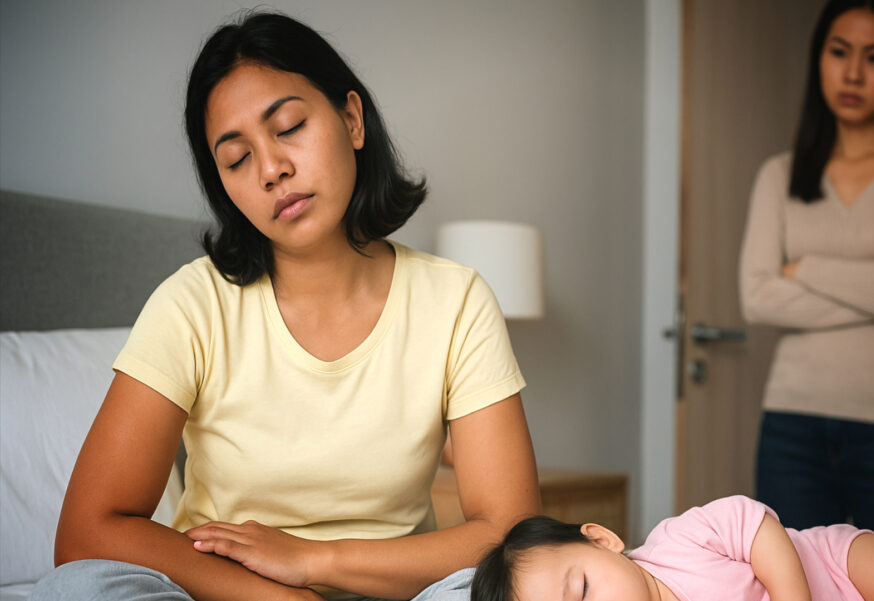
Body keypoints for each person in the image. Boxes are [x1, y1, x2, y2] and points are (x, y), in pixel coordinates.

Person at [31, 11, 539, 601]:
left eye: (289, 126)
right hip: (227, 595)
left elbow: (508, 533)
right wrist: (289, 597)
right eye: (237, 159)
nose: (272, 170)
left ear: (352, 120)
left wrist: (313, 561)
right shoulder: (193, 305)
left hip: (395, 591)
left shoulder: (455, 301)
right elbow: (88, 531)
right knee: (78, 589)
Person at [738, 0, 874, 562]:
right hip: (793, 429)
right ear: (820, 59)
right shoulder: (779, 174)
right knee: (796, 589)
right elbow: (758, 298)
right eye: (839, 52)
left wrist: (805, 269)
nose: (854, 73)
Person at [472, 496, 874, 601]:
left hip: (832, 565)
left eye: (583, 590)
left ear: (602, 540)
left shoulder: (674, 542)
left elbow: (754, 523)